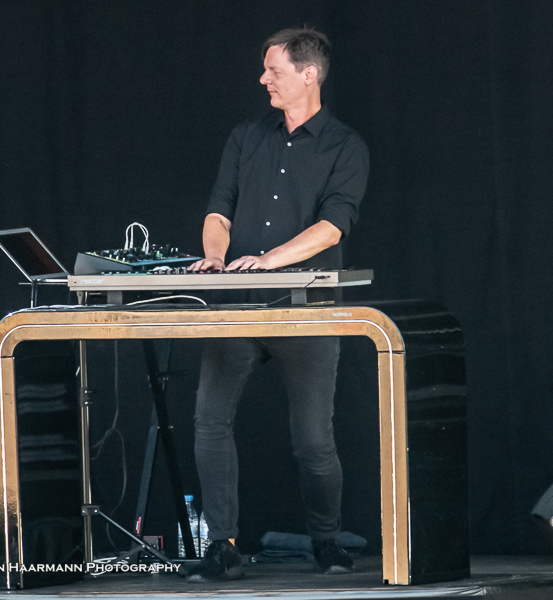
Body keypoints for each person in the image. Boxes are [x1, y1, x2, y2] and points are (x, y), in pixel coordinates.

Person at [184, 27, 370, 583]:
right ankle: (222, 546)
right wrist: (215, 257)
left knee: (314, 440)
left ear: (308, 75)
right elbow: (219, 209)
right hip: (237, 306)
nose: (263, 78)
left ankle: (327, 541)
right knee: (209, 423)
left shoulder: (346, 146)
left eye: (275, 70)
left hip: (304, 310)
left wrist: (268, 261)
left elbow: (332, 227)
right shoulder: (246, 136)